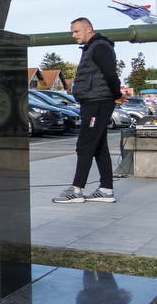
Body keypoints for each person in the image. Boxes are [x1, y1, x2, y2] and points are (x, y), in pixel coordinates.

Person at [54, 18, 126, 204]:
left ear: (89, 29)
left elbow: (110, 74)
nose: (73, 35)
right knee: (99, 146)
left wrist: (117, 95)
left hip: (97, 102)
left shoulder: (99, 47)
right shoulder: (92, 47)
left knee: (85, 145)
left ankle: (76, 190)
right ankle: (106, 190)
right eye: (72, 32)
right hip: (94, 101)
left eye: (76, 31)